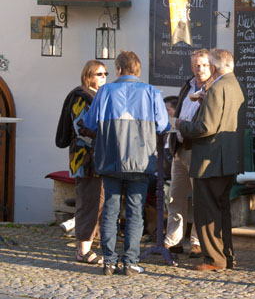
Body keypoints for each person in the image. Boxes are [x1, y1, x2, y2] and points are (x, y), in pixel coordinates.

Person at [84, 51, 170, 276]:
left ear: (119, 69)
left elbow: (91, 123)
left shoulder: (104, 91)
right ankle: (130, 261)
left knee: (111, 211)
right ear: (138, 69)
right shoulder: (151, 92)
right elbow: (163, 125)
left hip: (111, 159)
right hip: (141, 161)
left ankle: (109, 261)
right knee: (135, 211)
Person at [176, 49, 245, 271]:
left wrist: (180, 125)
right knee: (222, 209)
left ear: (214, 68)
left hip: (210, 160)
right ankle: (227, 255)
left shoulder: (216, 87)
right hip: (227, 159)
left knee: (207, 211)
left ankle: (214, 259)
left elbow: (205, 127)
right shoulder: (234, 85)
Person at [55, 60, 108, 265]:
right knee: (89, 202)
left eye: (105, 74)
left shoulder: (98, 96)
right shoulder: (81, 96)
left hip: (98, 158)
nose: (103, 77)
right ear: (88, 76)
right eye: (99, 74)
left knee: (100, 200)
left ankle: (91, 243)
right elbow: (81, 129)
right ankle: (83, 250)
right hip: (85, 159)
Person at [163, 49, 212, 257]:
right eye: (196, 65)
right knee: (176, 197)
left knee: (199, 198)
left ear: (211, 67)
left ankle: (197, 241)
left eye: (203, 65)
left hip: (198, 150)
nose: (199, 69)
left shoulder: (213, 88)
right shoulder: (187, 85)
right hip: (180, 148)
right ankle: (173, 240)